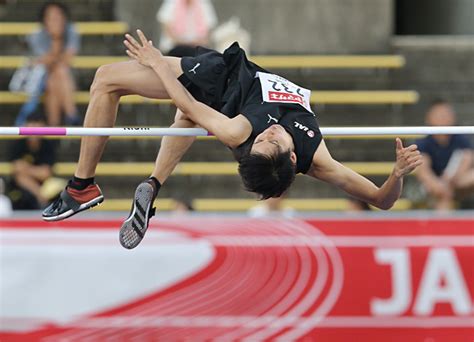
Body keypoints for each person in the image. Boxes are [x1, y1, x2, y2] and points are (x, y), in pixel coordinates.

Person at [42, 30, 422, 249]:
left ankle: (81, 187)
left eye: (264, 141)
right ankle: (153, 183)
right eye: (273, 140)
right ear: (292, 159)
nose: (271, 134)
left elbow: (188, 98)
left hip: (221, 82)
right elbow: (380, 200)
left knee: (109, 80)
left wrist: (158, 61)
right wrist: (397, 174)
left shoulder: (238, 131)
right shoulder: (316, 156)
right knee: (181, 113)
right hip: (240, 81)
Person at [18, 1, 81, 126]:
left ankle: (55, 127)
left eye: (58, 16)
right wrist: (56, 39)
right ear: (44, 19)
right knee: (56, 74)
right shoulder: (36, 35)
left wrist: (56, 45)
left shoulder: (71, 30)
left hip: (62, 77)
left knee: (56, 77)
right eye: (51, 17)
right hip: (41, 79)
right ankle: (72, 115)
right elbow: (45, 62)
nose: (55, 20)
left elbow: (67, 59)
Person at [415, 100, 473, 210]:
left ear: (453, 118)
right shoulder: (423, 143)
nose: (443, 118)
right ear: (428, 118)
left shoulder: (461, 139)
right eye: (438, 115)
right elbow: (423, 171)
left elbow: (467, 159)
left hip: (456, 182)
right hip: (433, 187)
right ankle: (443, 224)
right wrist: (439, 187)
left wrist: (449, 181)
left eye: (446, 114)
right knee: (442, 196)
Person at [8, 113, 58, 209]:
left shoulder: (47, 146)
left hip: (44, 186)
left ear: (43, 127)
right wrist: (39, 193)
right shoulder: (18, 145)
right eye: (31, 124)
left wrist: (26, 169)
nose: (34, 129)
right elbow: (17, 169)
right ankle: (40, 197)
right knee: (20, 179)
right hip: (23, 191)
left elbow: (45, 173)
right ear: (25, 126)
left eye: (37, 125)